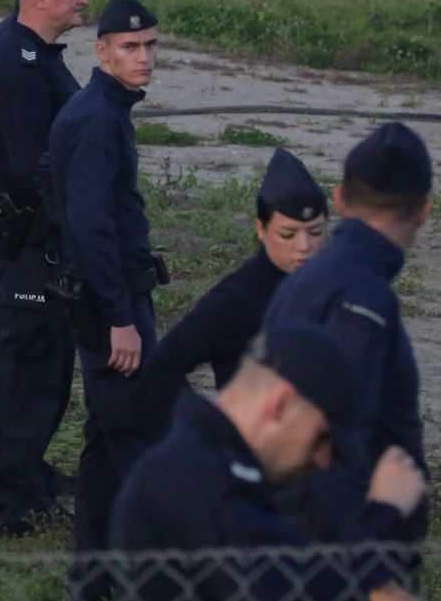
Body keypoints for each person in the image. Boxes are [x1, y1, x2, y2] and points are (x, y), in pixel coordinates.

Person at [112, 324, 437, 601]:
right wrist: (383, 514)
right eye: (321, 438)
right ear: (281, 404)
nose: (322, 460)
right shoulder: (198, 477)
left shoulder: (223, 469)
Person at [44, 0, 166, 601]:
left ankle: (89, 586)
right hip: (110, 307)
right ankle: (157, 589)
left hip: (113, 299)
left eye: (149, 47)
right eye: (130, 48)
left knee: (103, 446)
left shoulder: (105, 110)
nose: (143, 58)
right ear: (102, 51)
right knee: (143, 445)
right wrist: (121, 318)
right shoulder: (95, 119)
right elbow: (90, 229)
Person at [0, 0, 95, 537]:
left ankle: (19, 468)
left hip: (31, 230)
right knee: (30, 364)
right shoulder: (20, 64)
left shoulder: (32, 50)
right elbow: (28, 166)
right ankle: (18, 497)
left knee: (15, 355)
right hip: (31, 235)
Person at [263, 122, 434, 550]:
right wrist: (371, 568)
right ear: (424, 210)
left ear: (338, 199)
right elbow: (337, 436)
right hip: (335, 548)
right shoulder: (361, 299)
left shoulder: (316, 275)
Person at [141, 147, 329, 426]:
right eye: (287, 234)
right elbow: (163, 364)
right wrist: (210, 428)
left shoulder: (331, 285)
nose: (304, 247)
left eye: (315, 232)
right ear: (262, 230)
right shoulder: (237, 298)